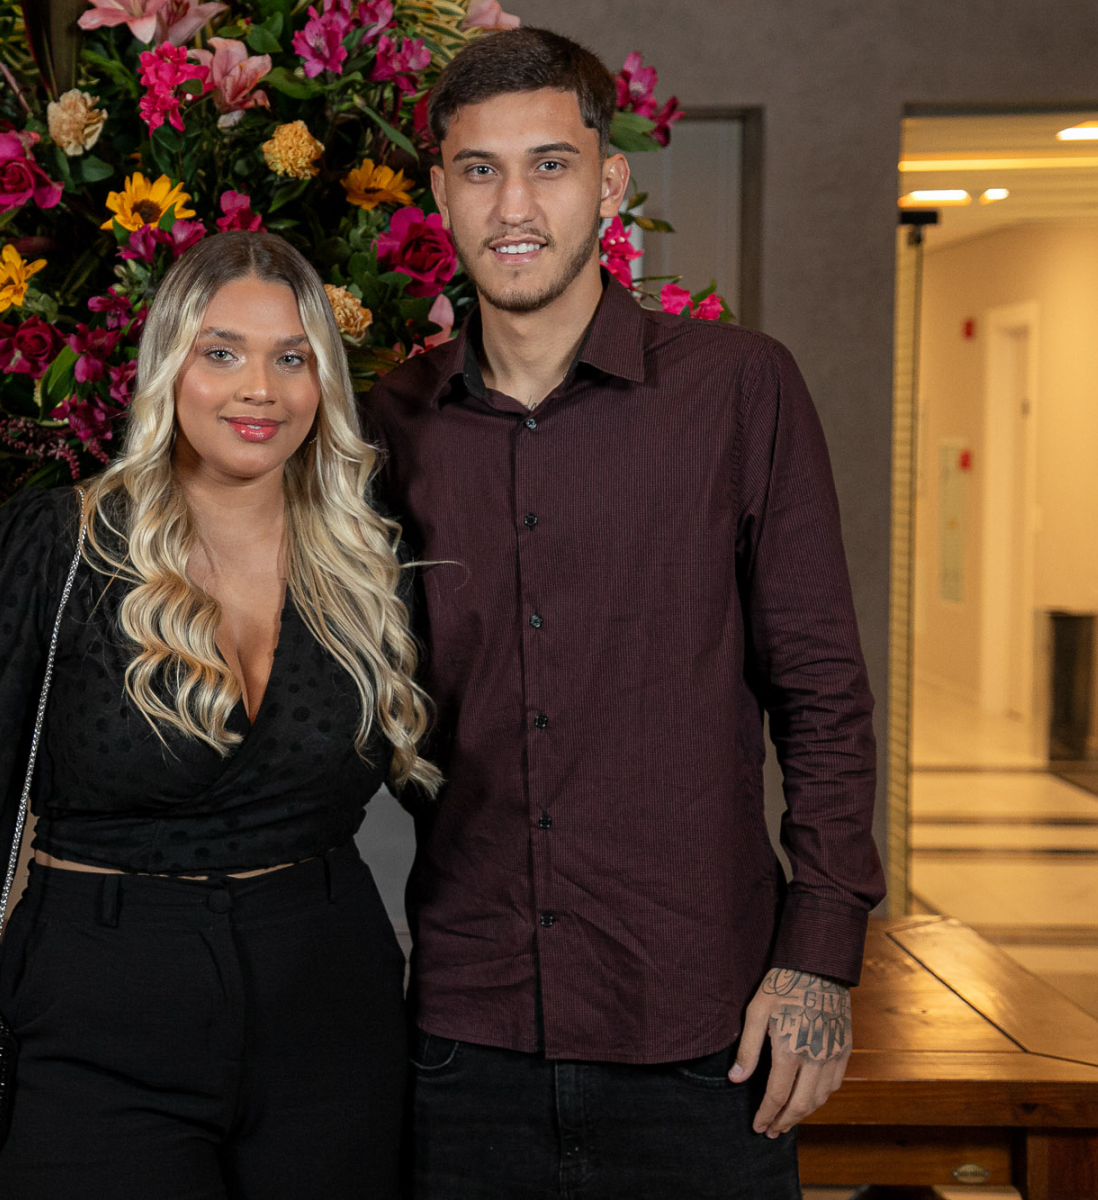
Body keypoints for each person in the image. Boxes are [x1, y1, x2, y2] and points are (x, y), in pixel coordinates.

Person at [361, 28, 886, 1200]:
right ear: (440, 193)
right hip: (468, 1039)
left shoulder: (738, 389)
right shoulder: (387, 423)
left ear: (609, 183)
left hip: (705, 1034)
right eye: (480, 169)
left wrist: (819, 959)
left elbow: (821, 693)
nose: (514, 206)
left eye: (549, 165)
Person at [0, 230, 438, 1200]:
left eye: (292, 358)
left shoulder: (371, 561)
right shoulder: (56, 547)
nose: (259, 389)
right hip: (99, 1013)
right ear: (169, 366)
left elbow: (471, 790)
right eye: (222, 352)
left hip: (330, 1011)